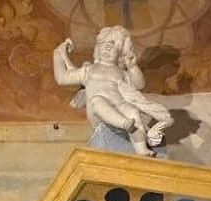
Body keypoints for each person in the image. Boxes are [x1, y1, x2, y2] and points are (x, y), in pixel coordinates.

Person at [53, 27, 172, 157]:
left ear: (121, 54)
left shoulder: (121, 73)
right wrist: (57, 55)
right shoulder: (89, 70)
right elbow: (62, 78)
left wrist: (132, 67)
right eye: (104, 44)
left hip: (119, 104)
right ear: (97, 49)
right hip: (97, 110)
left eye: (114, 45)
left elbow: (139, 85)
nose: (108, 47)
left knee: (133, 112)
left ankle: (141, 148)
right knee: (98, 101)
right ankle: (124, 124)